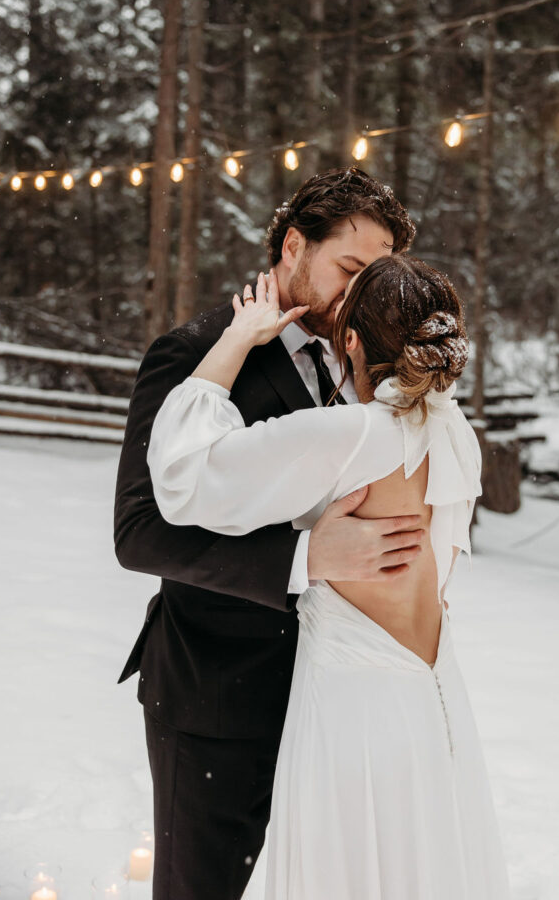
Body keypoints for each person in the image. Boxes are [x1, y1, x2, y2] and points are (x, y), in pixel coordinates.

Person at [147, 256, 511, 900]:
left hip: (355, 715)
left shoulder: (350, 434)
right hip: (433, 705)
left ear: (349, 340)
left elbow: (181, 475)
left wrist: (236, 339)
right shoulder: (457, 434)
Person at [113, 167, 420, 900]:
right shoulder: (193, 352)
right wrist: (304, 557)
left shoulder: (355, 364)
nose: (357, 296)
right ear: (292, 244)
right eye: (348, 269)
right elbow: (140, 533)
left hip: (325, 693)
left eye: (372, 279)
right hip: (216, 692)